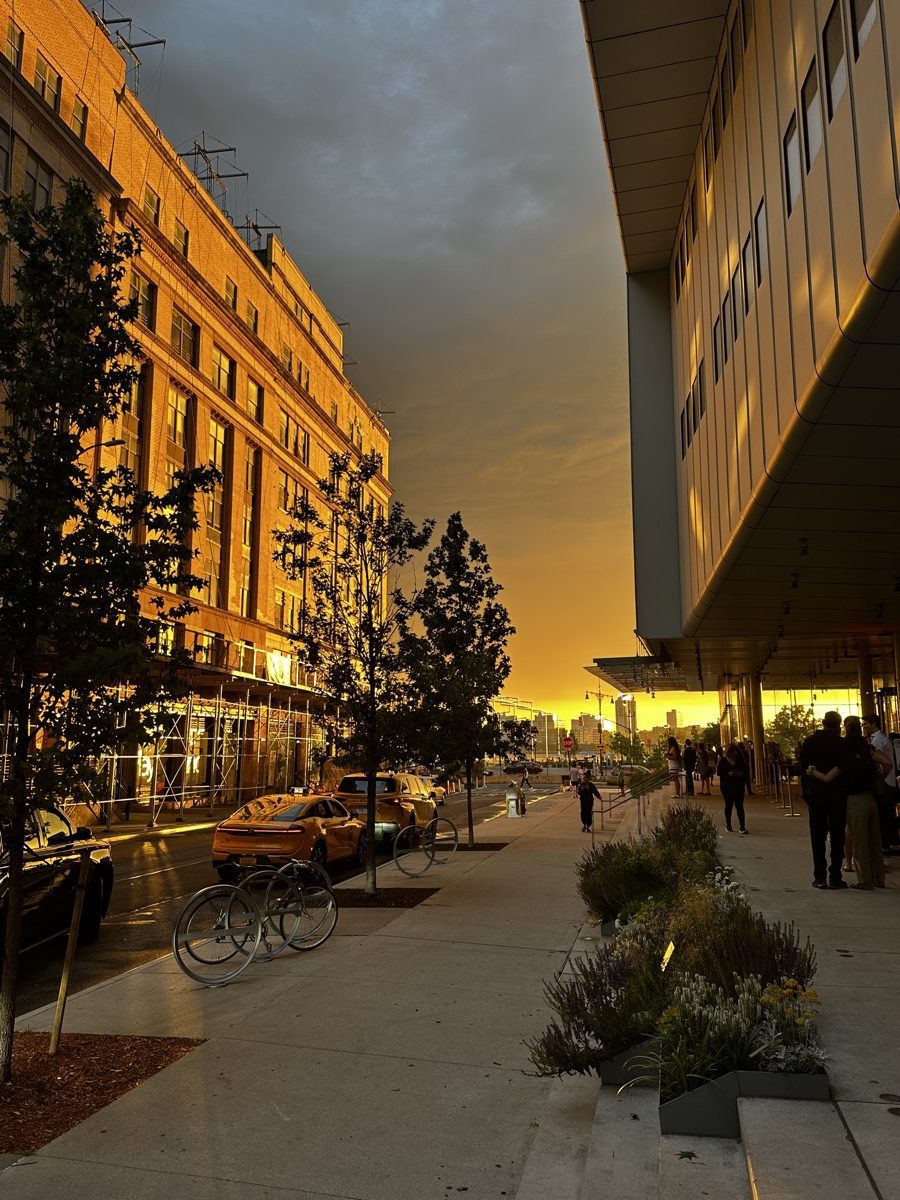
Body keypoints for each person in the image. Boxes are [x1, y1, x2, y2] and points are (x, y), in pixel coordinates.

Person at [810, 716, 884, 890]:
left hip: (853, 800)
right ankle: (878, 879)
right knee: (874, 842)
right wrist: (878, 778)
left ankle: (863, 880)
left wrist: (813, 773)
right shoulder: (868, 753)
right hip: (870, 798)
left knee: (859, 842)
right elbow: (887, 762)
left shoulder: (846, 760)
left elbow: (828, 778)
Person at [799, 711, 847, 889]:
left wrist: (807, 792)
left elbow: (803, 768)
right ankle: (835, 875)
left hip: (816, 794)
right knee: (837, 835)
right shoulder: (842, 744)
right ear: (839, 725)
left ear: (823, 723)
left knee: (817, 836)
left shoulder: (810, 742)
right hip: (837, 795)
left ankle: (819, 876)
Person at [862, 714, 898, 856]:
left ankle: (887, 844)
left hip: (886, 783)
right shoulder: (879, 739)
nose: (864, 727)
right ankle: (893, 843)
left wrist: (880, 779)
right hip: (887, 782)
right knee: (888, 813)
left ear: (873, 724)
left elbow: (881, 762)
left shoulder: (878, 741)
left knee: (885, 814)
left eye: (865, 724)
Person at [717, 743, 749, 834]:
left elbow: (744, 772)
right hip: (727, 787)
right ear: (729, 753)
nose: (735, 756)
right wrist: (728, 773)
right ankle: (728, 825)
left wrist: (739, 775)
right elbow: (719, 772)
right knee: (729, 805)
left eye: (736, 754)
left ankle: (742, 826)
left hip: (738, 786)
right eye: (733, 754)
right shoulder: (723, 761)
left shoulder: (740, 761)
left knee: (739, 806)